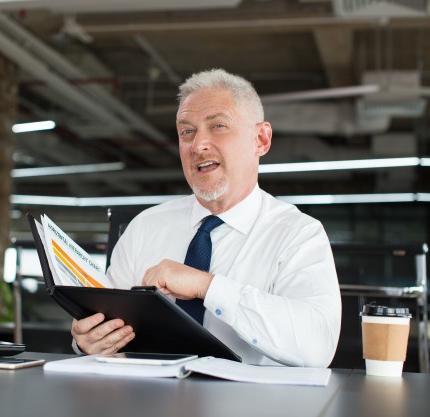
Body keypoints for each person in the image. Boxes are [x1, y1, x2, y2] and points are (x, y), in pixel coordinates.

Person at [71, 68, 341, 367]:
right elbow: (103, 329)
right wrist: (89, 341)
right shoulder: (145, 227)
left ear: (261, 140)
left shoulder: (298, 234)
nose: (197, 145)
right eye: (187, 131)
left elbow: (317, 348)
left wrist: (207, 286)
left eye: (218, 126)